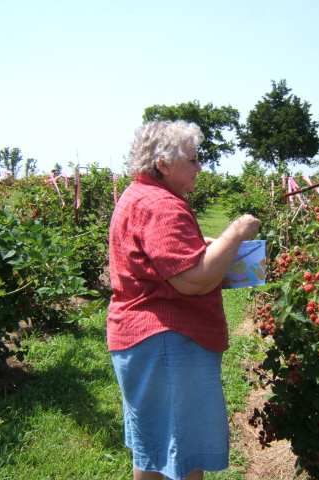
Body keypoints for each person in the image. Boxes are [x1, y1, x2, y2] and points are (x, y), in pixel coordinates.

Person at [107, 120, 261, 480]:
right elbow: (192, 281)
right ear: (163, 164)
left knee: (155, 448)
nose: (199, 167)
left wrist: (212, 248)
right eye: (192, 160)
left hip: (144, 341)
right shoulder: (162, 206)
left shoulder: (140, 196)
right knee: (181, 452)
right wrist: (237, 231)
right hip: (167, 341)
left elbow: (170, 258)